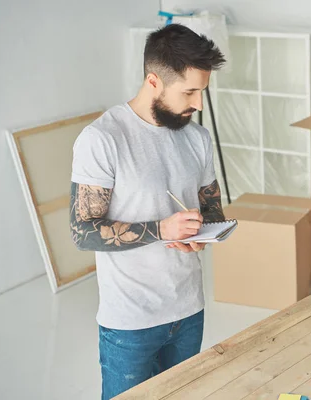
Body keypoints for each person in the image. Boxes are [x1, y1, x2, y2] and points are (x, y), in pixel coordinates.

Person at [68, 23, 226, 399]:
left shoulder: (197, 137)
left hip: (188, 309)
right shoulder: (103, 139)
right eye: (189, 91)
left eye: (202, 92)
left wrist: (201, 234)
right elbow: (82, 231)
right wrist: (163, 230)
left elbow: (213, 209)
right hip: (130, 321)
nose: (198, 104)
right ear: (154, 81)